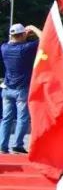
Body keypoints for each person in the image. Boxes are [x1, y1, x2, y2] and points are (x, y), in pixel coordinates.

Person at [0, 23, 41, 154]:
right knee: (22, 118)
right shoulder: (25, 48)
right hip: (21, 89)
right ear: (22, 34)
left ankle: (2, 146)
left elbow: (12, 40)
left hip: (7, 88)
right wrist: (33, 28)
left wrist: (22, 35)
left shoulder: (4, 48)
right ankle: (17, 145)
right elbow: (44, 37)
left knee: (6, 119)